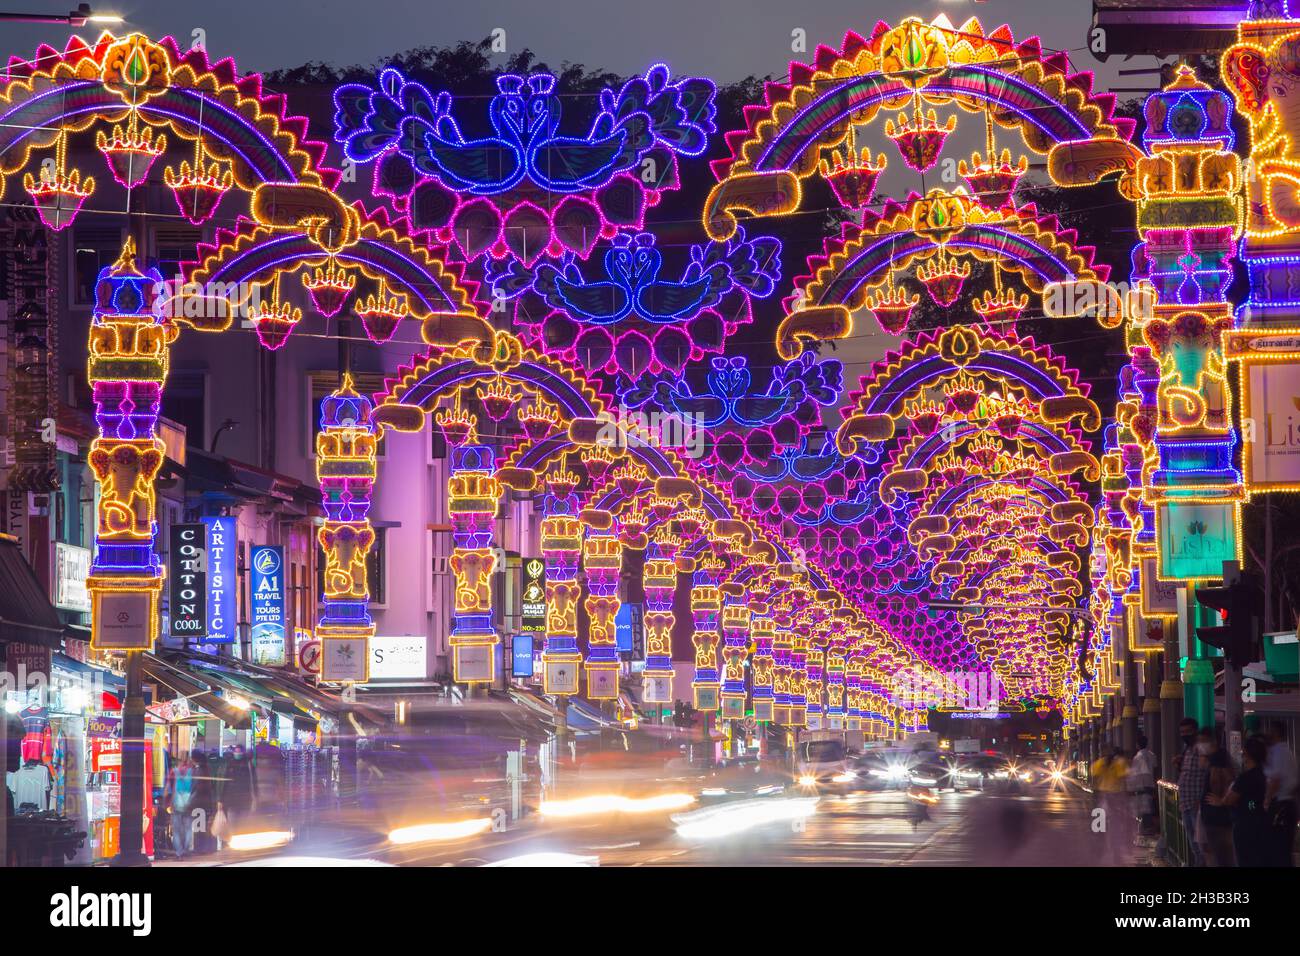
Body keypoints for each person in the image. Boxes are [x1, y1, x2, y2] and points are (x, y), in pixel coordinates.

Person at [1208, 736, 1270, 867]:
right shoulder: (1263, 774)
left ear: (1247, 754)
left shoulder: (1245, 777)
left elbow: (1230, 799)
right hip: (1261, 821)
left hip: (1245, 824)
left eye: (1243, 753)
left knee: (1245, 859)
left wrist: (1220, 801)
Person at [1198, 730, 1235, 867]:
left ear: (1213, 742)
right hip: (1216, 817)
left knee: (1220, 857)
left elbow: (1220, 783)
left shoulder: (1217, 759)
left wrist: (1221, 800)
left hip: (1216, 818)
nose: (1199, 744)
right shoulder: (1216, 758)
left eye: (1202, 741)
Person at [1263, 722, 1297, 867]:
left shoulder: (1278, 752)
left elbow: (1275, 780)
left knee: (1278, 848)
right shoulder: (1288, 752)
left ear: (1276, 733)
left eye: (1270, 731)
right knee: (1285, 849)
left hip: (1280, 806)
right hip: (1289, 805)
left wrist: (1266, 801)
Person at [1175, 718, 1206, 866]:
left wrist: (1201, 800)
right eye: (1182, 732)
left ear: (1195, 731)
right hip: (1185, 803)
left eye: (1188, 732)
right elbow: (1187, 773)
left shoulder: (1201, 749)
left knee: (1201, 844)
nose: (1184, 735)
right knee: (1193, 843)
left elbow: (1207, 773)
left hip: (1196, 804)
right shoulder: (1187, 749)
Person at [166, 750, 198, 860]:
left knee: (176, 830)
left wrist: (168, 803)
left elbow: (168, 789)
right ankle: (185, 849)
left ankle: (179, 852)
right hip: (188, 803)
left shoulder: (174, 771)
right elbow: (195, 787)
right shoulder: (192, 771)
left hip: (176, 803)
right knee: (188, 828)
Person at [1128, 736, 1158, 836]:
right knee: (1149, 806)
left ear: (1137, 744)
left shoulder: (1138, 757)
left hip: (1142, 785)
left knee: (1144, 808)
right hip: (1151, 784)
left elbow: (1136, 773)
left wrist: (1131, 788)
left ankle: (1145, 829)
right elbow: (1155, 769)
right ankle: (1148, 828)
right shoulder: (1152, 755)